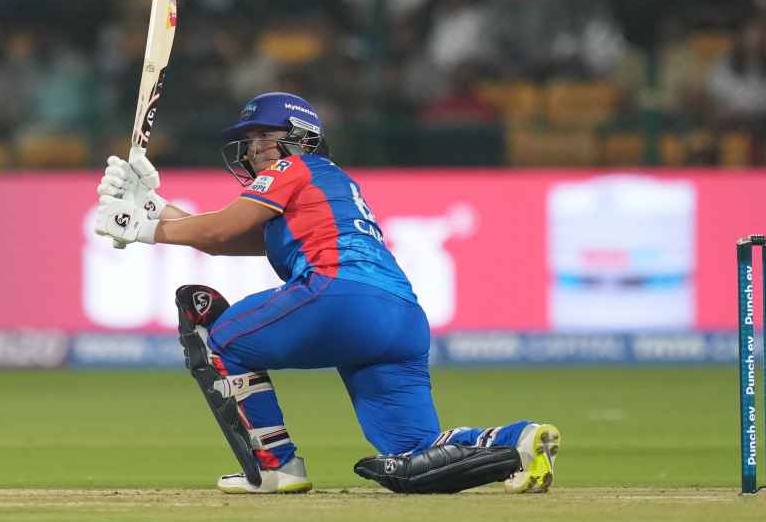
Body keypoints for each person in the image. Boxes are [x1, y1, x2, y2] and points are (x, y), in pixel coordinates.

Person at [94, 92, 560, 494]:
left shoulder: (292, 168)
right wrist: (153, 206)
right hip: (401, 318)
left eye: (263, 136)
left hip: (342, 298)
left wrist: (137, 227)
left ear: (299, 137)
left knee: (221, 335)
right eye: (249, 139)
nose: (253, 149)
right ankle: (518, 442)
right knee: (414, 450)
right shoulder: (325, 182)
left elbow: (218, 230)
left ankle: (276, 468)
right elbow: (224, 242)